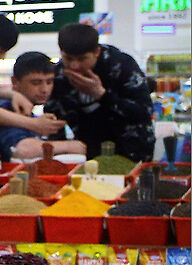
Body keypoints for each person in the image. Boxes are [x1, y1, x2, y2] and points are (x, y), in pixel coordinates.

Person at [13, 22, 157, 163]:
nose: (75, 66)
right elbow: (56, 121)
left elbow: (144, 112)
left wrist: (101, 95)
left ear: (96, 52)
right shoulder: (59, 75)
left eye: (82, 59)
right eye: (68, 58)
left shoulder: (122, 66)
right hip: (88, 156)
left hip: (133, 152)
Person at [0, 52, 58, 160]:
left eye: (49, 82)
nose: (44, 89)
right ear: (15, 81)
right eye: (36, 83)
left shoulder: (30, 114)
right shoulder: (6, 107)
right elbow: (22, 150)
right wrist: (71, 146)